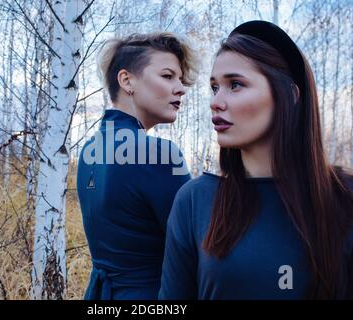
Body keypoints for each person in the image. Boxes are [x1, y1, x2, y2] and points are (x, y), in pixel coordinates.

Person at [159, 20, 353, 300]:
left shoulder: (344, 198)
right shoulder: (195, 201)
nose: (215, 101)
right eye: (215, 87)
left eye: (235, 84)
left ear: (290, 94)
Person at [77, 32, 199, 299]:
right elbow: (201, 250)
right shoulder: (158, 154)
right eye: (168, 76)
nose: (180, 88)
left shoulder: (89, 150)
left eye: (180, 79)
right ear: (126, 80)